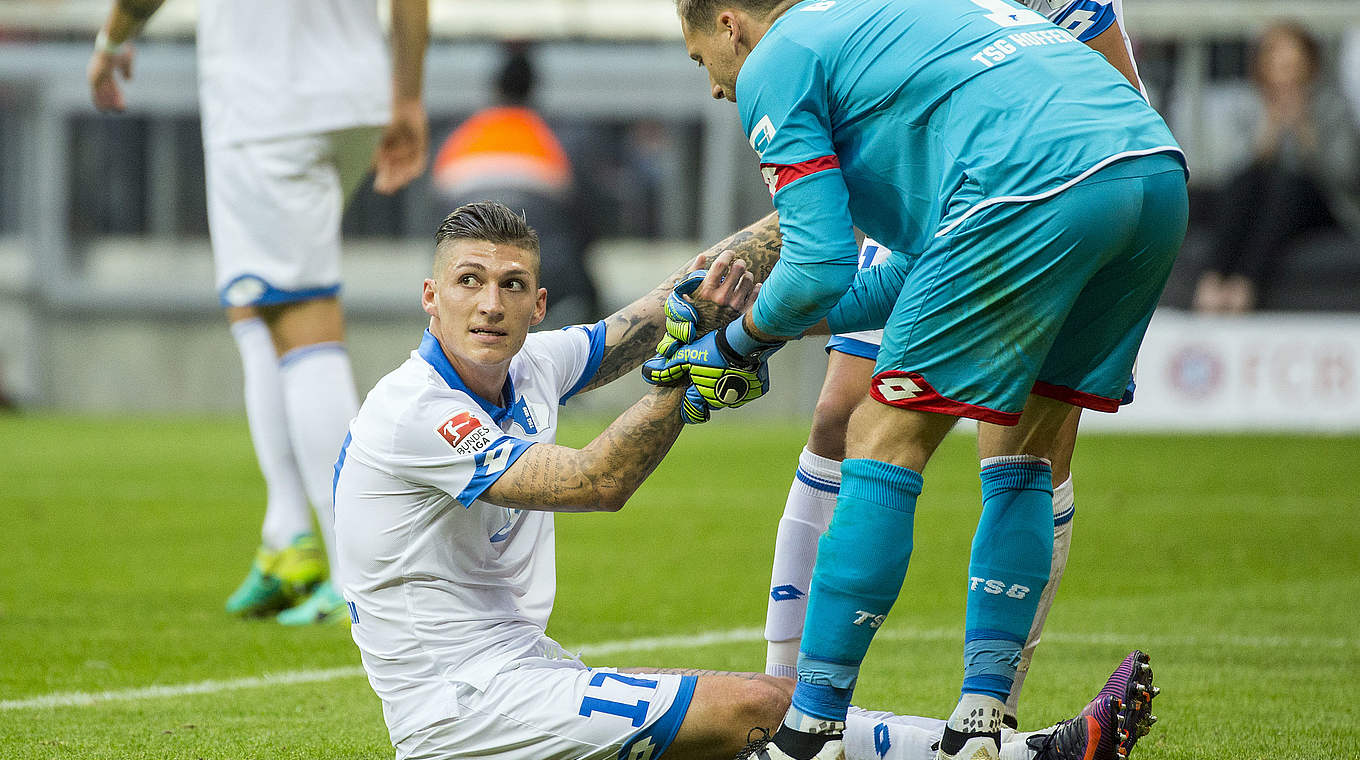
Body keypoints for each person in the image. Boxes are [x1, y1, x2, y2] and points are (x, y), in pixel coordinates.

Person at [332, 201, 1157, 760]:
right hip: (460, 707)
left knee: (761, 721)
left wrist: (837, 199)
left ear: (538, 302)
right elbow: (592, 480)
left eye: (511, 285)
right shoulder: (415, 410)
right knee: (764, 709)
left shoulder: (531, 366)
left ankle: (1031, 751)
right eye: (469, 282)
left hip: (527, 672)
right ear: (430, 300)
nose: (490, 304)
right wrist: (697, 380)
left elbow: (663, 307)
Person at [672, 1, 1186, 758]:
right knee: (1024, 454)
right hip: (1150, 175)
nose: (715, 88)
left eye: (699, 63)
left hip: (1028, 183)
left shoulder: (778, 58)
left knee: (879, 438)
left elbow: (816, 264)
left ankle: (808, 733)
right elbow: (912, 273)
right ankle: (979, 725)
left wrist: (737, 342)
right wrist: (758, 330)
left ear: (729, 25)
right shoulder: (891, 33)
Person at [87, 0, 430, 623]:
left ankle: (362, 577)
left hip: (268, 102)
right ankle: (287, 535)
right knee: (258, 302)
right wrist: (407, 95)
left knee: (299, 315)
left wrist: (113, 41)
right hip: (355, 93)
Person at [1192, 20, 1360, 313]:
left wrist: (1305, 131)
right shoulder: (1247, 104)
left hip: (1319, 202)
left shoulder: (1331, 105)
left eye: (1293, 65)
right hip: (1259, 198)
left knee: (1287, 186)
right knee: (1249, 181)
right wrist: (1267, 134)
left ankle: (1246, 282)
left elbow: (1344, 175)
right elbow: (1225, 175)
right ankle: (1214, 277)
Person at [432, 42, 601, 327]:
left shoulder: (462, 136)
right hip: (543, 256)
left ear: (494, 88)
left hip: (467, 254)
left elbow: (437, 217)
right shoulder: (551, 137)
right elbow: (584, 220)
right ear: (534, 90)